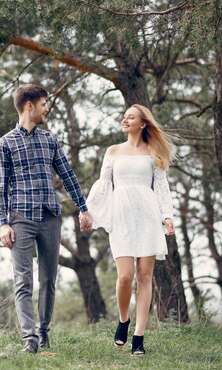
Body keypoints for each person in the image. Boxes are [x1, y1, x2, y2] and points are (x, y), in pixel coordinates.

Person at [0, 83, 93, 354]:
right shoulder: (5, 144)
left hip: (50, 217)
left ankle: (44, 331)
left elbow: (68, 175)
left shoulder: (49, 140)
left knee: (48, 279)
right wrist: (3, 222)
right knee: (22, 280)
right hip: (20, 219)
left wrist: (83, 207)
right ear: (29, 105)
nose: (46, 108)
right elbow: (1, 187)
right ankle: (30, 339)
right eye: (43, 104)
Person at [86, 104, 175, 355]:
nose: (125, 120)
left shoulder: (154, 152)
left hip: (148, 216)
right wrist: (89, 212)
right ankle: (124, 320)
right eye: (124, 116)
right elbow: (103, 185)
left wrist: (166, 216)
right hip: (121, 216)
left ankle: (139, 337)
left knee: (144, 277)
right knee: (125, 276)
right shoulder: (113, 151)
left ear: (143, 123)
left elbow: (161, 188)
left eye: (131, 117)